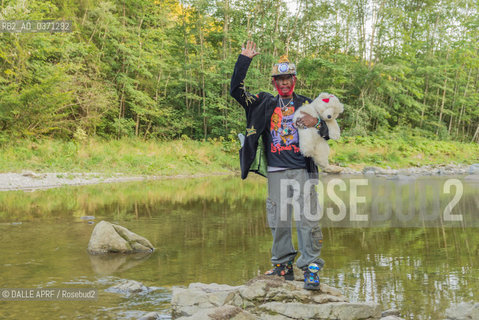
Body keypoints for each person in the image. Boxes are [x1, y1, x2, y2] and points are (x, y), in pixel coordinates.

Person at [230, 41, 329, 290]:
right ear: (274, 82)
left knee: (308, 219)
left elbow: (328, 131)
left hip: (303, 170)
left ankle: (311, 268)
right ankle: (283, 267)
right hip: (275, 171)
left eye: (288, 79)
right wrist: (244, 60)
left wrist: (315, 123)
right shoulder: (263, 102)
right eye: (279, 79)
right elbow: (236, 91)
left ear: (294, 80)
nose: (284, 83)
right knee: (279, 219)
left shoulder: (308, 104)